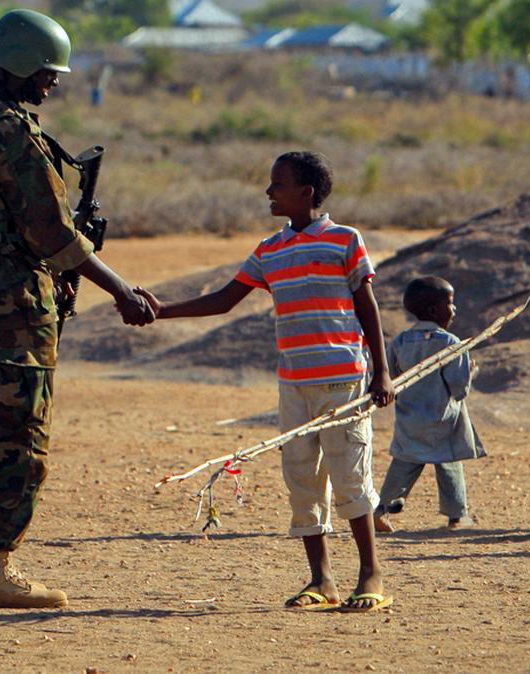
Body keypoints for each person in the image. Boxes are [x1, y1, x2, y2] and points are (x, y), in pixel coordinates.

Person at [0, 9, 154, 609]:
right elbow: (54, 235)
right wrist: (121, 290)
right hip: (12, 302)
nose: (53, 83)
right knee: (20, 436)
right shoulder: (12, 135)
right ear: (23, 64)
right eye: (48, 73)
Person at [136, 151, 395, 612]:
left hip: (343, 381)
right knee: (302, 479)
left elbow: (366, 305)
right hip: (293, 383)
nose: (269, 192)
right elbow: (224, 299)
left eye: (278, 184)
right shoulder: (269, 249)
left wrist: (382, 370)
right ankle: (322, 581)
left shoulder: (344, 240)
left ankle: (370, 575)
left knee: (351, 476)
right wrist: (162, 311)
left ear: (306, 193)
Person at [373, 276, 484, 533]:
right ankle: (457, 516)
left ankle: (381, 509)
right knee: (449, 463)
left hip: (409, 419)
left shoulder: (400, 341)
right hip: (443, 420)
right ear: (435, 310)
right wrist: (471, 372)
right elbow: (458, 389)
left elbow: (390, 379)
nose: (454, 310)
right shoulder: (450, 344)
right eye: (451, 303)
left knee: (404, 462)